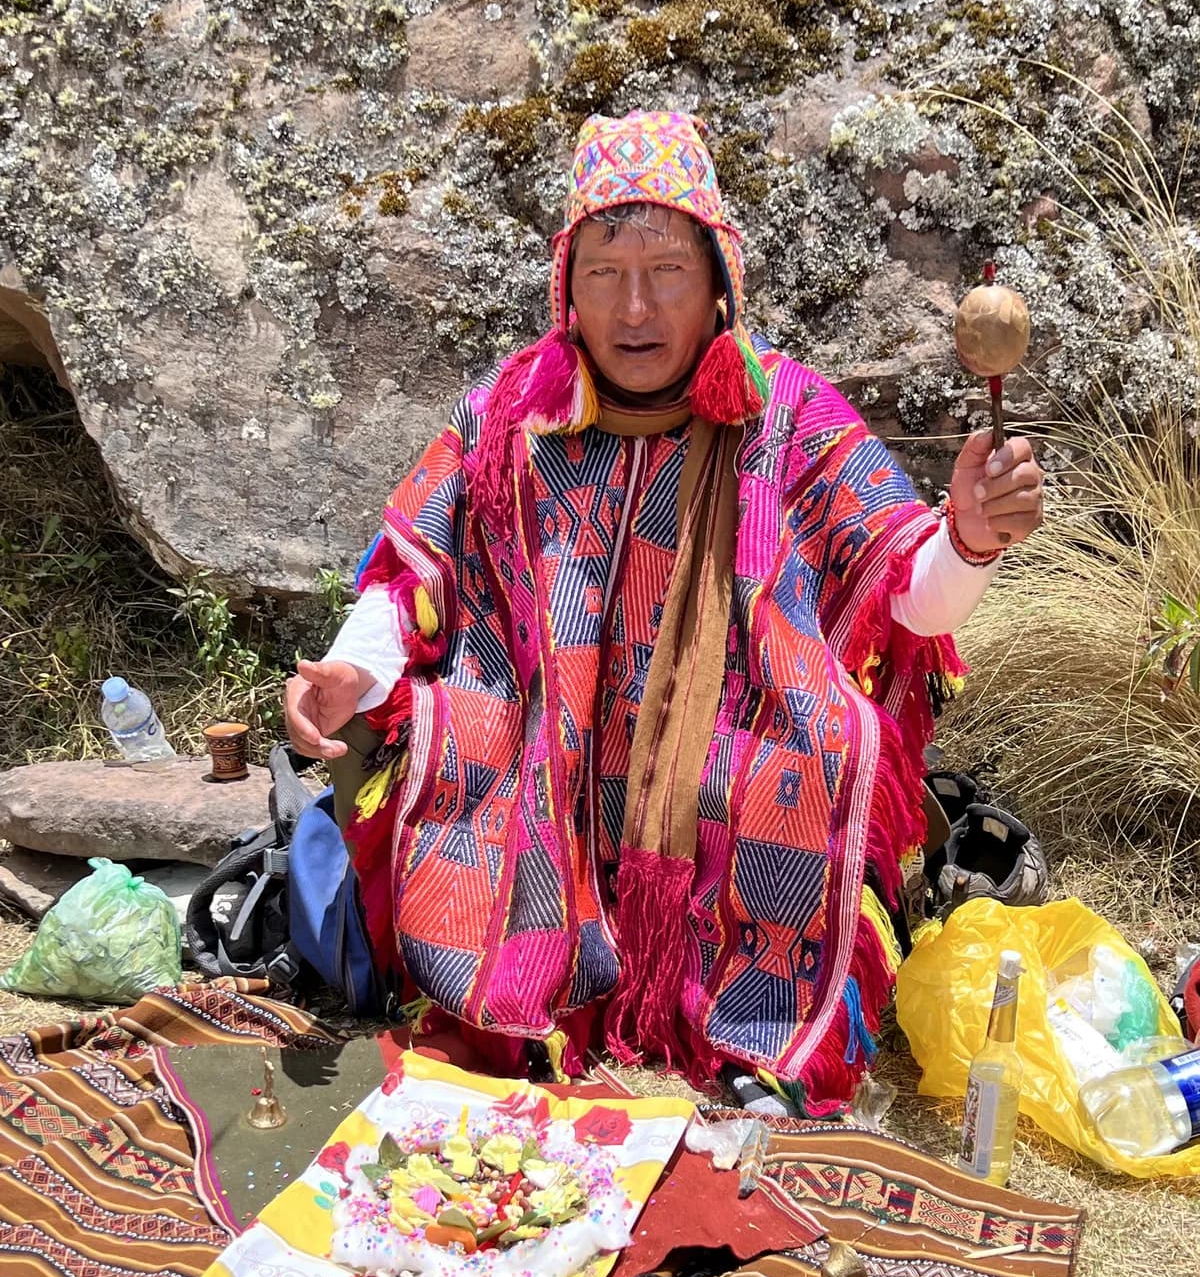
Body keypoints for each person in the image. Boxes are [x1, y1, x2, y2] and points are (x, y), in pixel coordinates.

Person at [284, 110, 1044, 1115]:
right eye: (605, 273)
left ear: (717, 278)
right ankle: (530, 1006)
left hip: (731, 734)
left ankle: (749, 1038)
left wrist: (973, 533)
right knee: (462, 732)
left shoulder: (794, 417)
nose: (635, 306)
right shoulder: (506, 418)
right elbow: (413, 577)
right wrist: (354, 672)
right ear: (567, 288)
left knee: (806, 757)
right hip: (547, 742)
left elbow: (911, 589)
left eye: (666, 272)